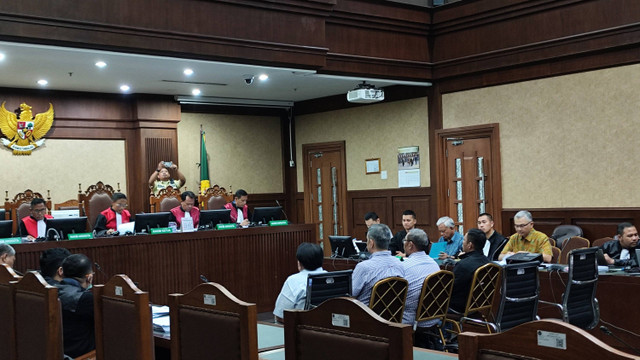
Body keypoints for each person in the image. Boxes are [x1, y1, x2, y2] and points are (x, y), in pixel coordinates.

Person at [401, 229, 441, 349]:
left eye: (405, 241)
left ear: (410, 244)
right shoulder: (434, 264)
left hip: (410, 321)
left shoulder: (404, 267)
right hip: (433, 318)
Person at [352, 224, 405, 306]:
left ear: (371, 243)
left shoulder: (363, 267)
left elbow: (351, 294)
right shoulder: (400, 264)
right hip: (392, 316)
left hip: (366, 316)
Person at [273, 242, 326, 322]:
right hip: (329, 329)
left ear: (299, 263)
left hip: (302, 329)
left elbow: (280, 316)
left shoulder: (293, 281)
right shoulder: (332, 278)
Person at [57, 254, 95, 358]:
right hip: (80, 354)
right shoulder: (85, 299)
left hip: (58, 352)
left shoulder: (50, 289)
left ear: (61, 273)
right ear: (89, 277)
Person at [449, 228, 490, 313]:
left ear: (470, 245)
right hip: (482, 306)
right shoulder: (488, 262)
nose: (462, 243)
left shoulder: (463, 265)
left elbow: (450, 289)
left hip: (460, 307)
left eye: (464, 240)